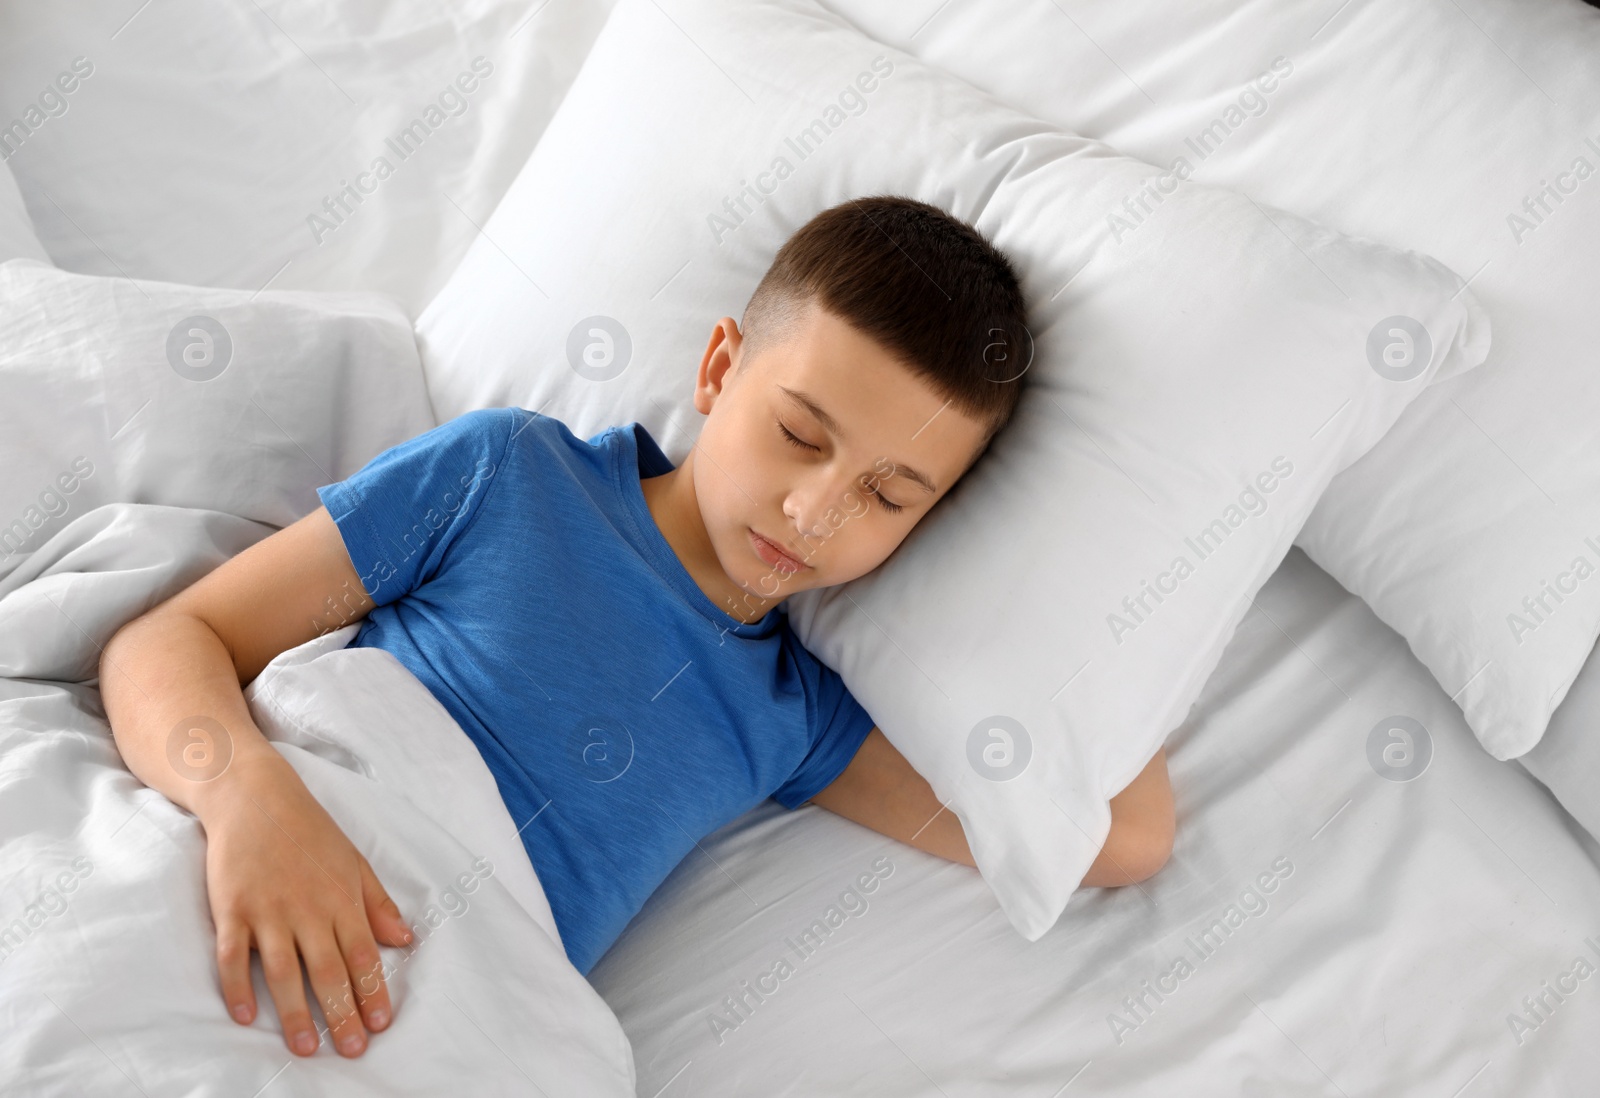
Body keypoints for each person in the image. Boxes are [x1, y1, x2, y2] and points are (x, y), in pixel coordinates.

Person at [99, 195, 1174, 1061]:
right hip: (275, 839)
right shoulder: (507, 476)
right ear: (718, 370)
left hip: (438, 1013)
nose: (816, 512)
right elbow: (171, 640)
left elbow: (1122, 840)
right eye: (800, 434)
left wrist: (1070, 567)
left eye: (890, 499)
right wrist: (245, 792)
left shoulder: (787, 717)